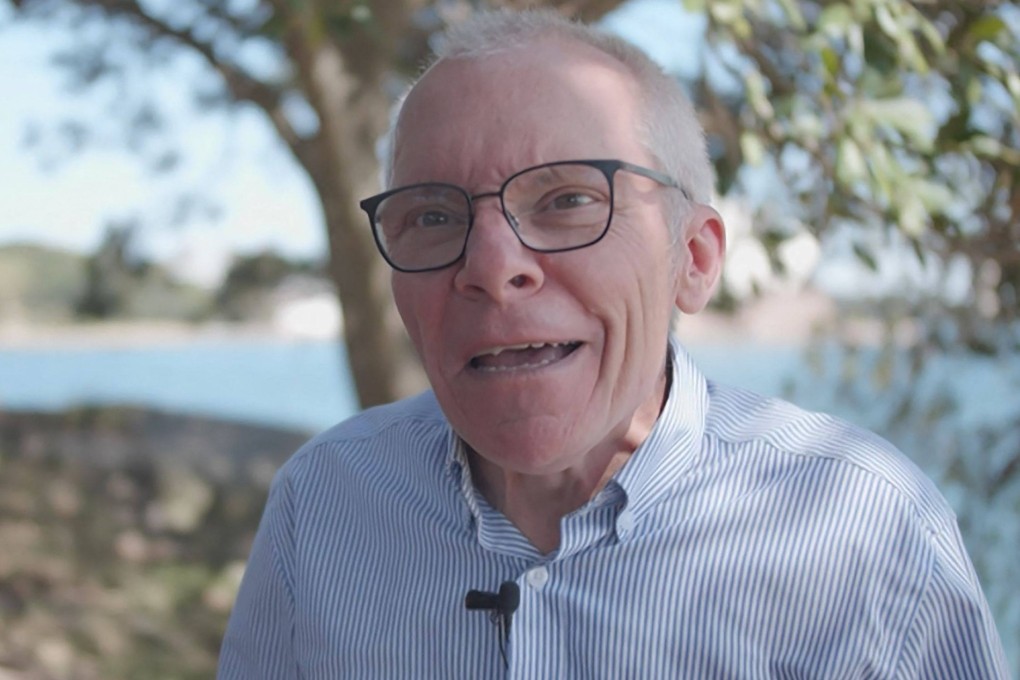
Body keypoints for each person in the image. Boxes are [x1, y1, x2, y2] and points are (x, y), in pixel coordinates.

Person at [218, 9, 1009, 678]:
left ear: (692, 261)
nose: (492, 270)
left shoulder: (866, 530)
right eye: (432, 216)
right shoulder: (322, 508)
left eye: (566, 199)